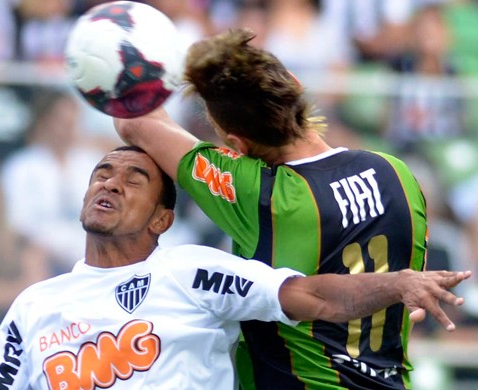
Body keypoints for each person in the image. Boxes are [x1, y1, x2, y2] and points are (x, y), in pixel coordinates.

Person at [0, 146, 471, 390]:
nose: (110, 181)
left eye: (133, 178)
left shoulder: (191, 271)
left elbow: (311, 298)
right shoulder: (36, 305)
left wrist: (397, 282)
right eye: (101, 173)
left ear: (163, 218)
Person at [114, 29, 432, 389]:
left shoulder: (260, 194)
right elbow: (409, 294)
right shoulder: (397, 172)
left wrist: (135, 51)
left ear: (236, 143)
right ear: (296, 86)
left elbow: (134, 121)